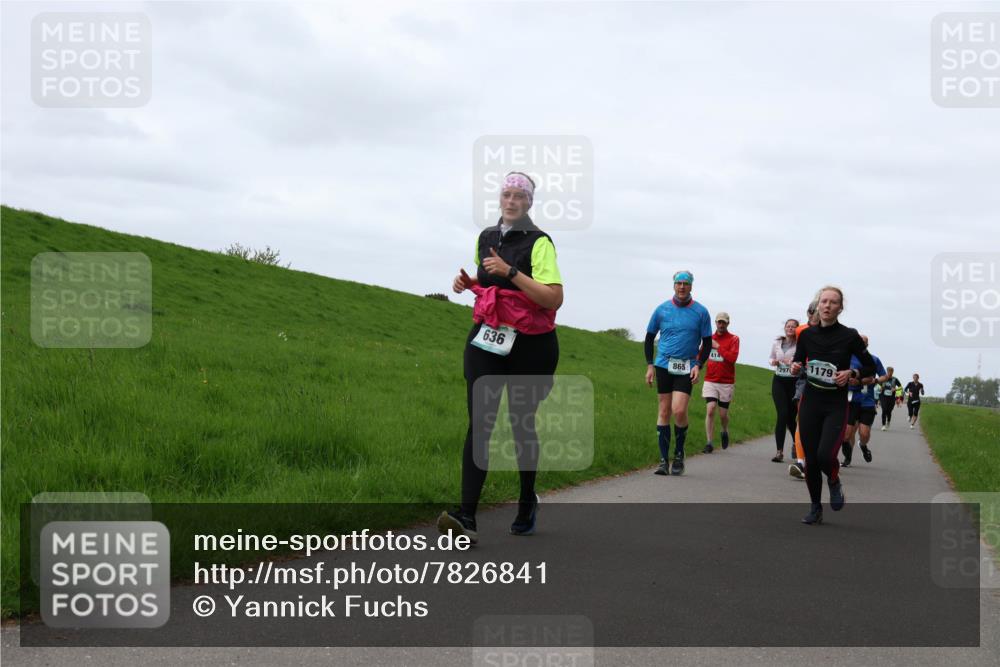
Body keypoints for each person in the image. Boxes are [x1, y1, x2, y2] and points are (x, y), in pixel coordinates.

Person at [438, 172, 564, 543]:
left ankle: (526, 501)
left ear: (529, 203)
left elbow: (553, 297)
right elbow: (491, 284)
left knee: (521, 424)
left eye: (518, 196)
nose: (511, 201)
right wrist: (470, 284)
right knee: (481, 422)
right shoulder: (486, 237)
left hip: (532, 345)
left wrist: (511, 271)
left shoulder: (540, 242)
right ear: (500, 198)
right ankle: (467, 517)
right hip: (487, 337)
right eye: (506, 194)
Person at [791, 286, 875, 525]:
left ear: (840, 308)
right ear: (818, 305)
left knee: (825, 455)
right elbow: (798, 360)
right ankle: (815, 508)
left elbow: (869, 366)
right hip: (811, 402)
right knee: (811, 459)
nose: (827, 306)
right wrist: (796, 367)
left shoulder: (850, 336)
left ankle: (834, 479)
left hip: (835, 404)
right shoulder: (806, 335)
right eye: (824, 301)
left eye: (833, 302)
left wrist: (852, 373)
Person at [645, 270, 713, 476]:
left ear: (691, 286)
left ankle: (679, 453)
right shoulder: (661, 310)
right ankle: (663, 461)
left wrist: (698, 364)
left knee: (679, 410)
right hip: (663, 365)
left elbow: (707, 342)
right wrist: (650, 366)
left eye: (686, 283)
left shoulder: (701, 312)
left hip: (687, 366)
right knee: (664, 411)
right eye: (679, 283)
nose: (682, 287)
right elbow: (649, 338)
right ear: (674, 285)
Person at [842, 335, 887, 466]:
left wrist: (875, 380)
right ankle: (847, 458)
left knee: (864, 433)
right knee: (847, 433)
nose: (861, 343)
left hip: (867, 401)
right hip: (851, 399)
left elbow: (884, 376)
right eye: (859, 341)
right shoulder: (846, 357)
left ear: (867, 345)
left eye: (864, 342)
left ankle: (862, 445)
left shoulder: (873, 359)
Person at [788, 300, 820, 480]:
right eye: (812, 311)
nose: (814, 315)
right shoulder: (801, 330)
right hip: (805, 376)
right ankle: (801, 462)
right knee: (802, 418)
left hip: (825, 380)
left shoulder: (833, 332)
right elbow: (798, 351)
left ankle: (816, 457)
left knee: (819, 423)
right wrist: (795, 363)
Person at [702, 312, 740, 453]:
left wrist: (718, 347)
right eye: (719, 322)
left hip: (726, 382)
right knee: (711, 409)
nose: (721, 325)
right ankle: (709, 442)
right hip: (710, 379)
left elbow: (732, 358)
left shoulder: (734, 339)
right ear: (716, 323)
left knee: (723, 414)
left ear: (728, 323)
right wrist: (695, 366)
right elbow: (701, 354)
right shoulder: (709, 338)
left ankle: (724, 430)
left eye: (723, 322)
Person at [769, 318, 799, 463]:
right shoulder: (777, 343)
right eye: (788, 326)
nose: (790, 328)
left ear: (797, 329)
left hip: (794, 382)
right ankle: (779, 451)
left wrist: (793, 362)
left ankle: (796, 443)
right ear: (785, 328)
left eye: (793, 326)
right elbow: (771, 358)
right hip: (779, 381)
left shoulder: (800, 344)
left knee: (791, 418)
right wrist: (773, 362)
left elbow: (803, 360)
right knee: (782, 414)